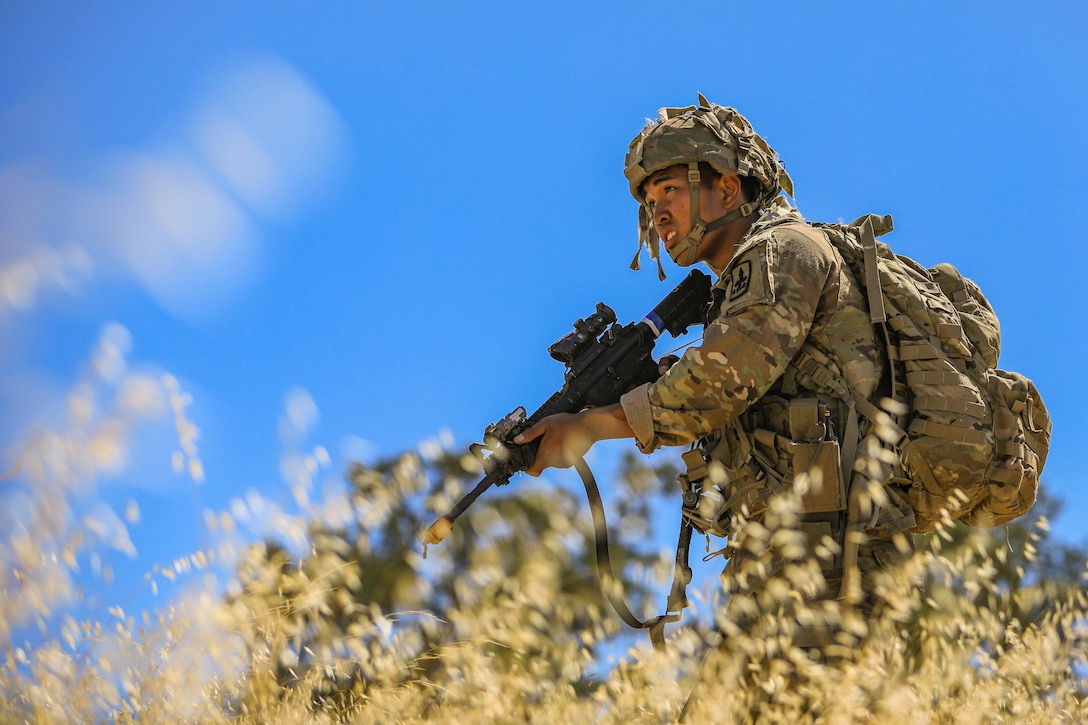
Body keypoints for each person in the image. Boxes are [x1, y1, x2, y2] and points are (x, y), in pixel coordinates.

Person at [514, 96, 917, 646]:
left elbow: (715, 385)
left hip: (838, 564)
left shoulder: (782, 253)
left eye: (671, 191)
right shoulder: (739, 288)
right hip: (788, 561)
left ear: (728, 188)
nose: (657, 213)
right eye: (649, 200)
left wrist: (586, 427)